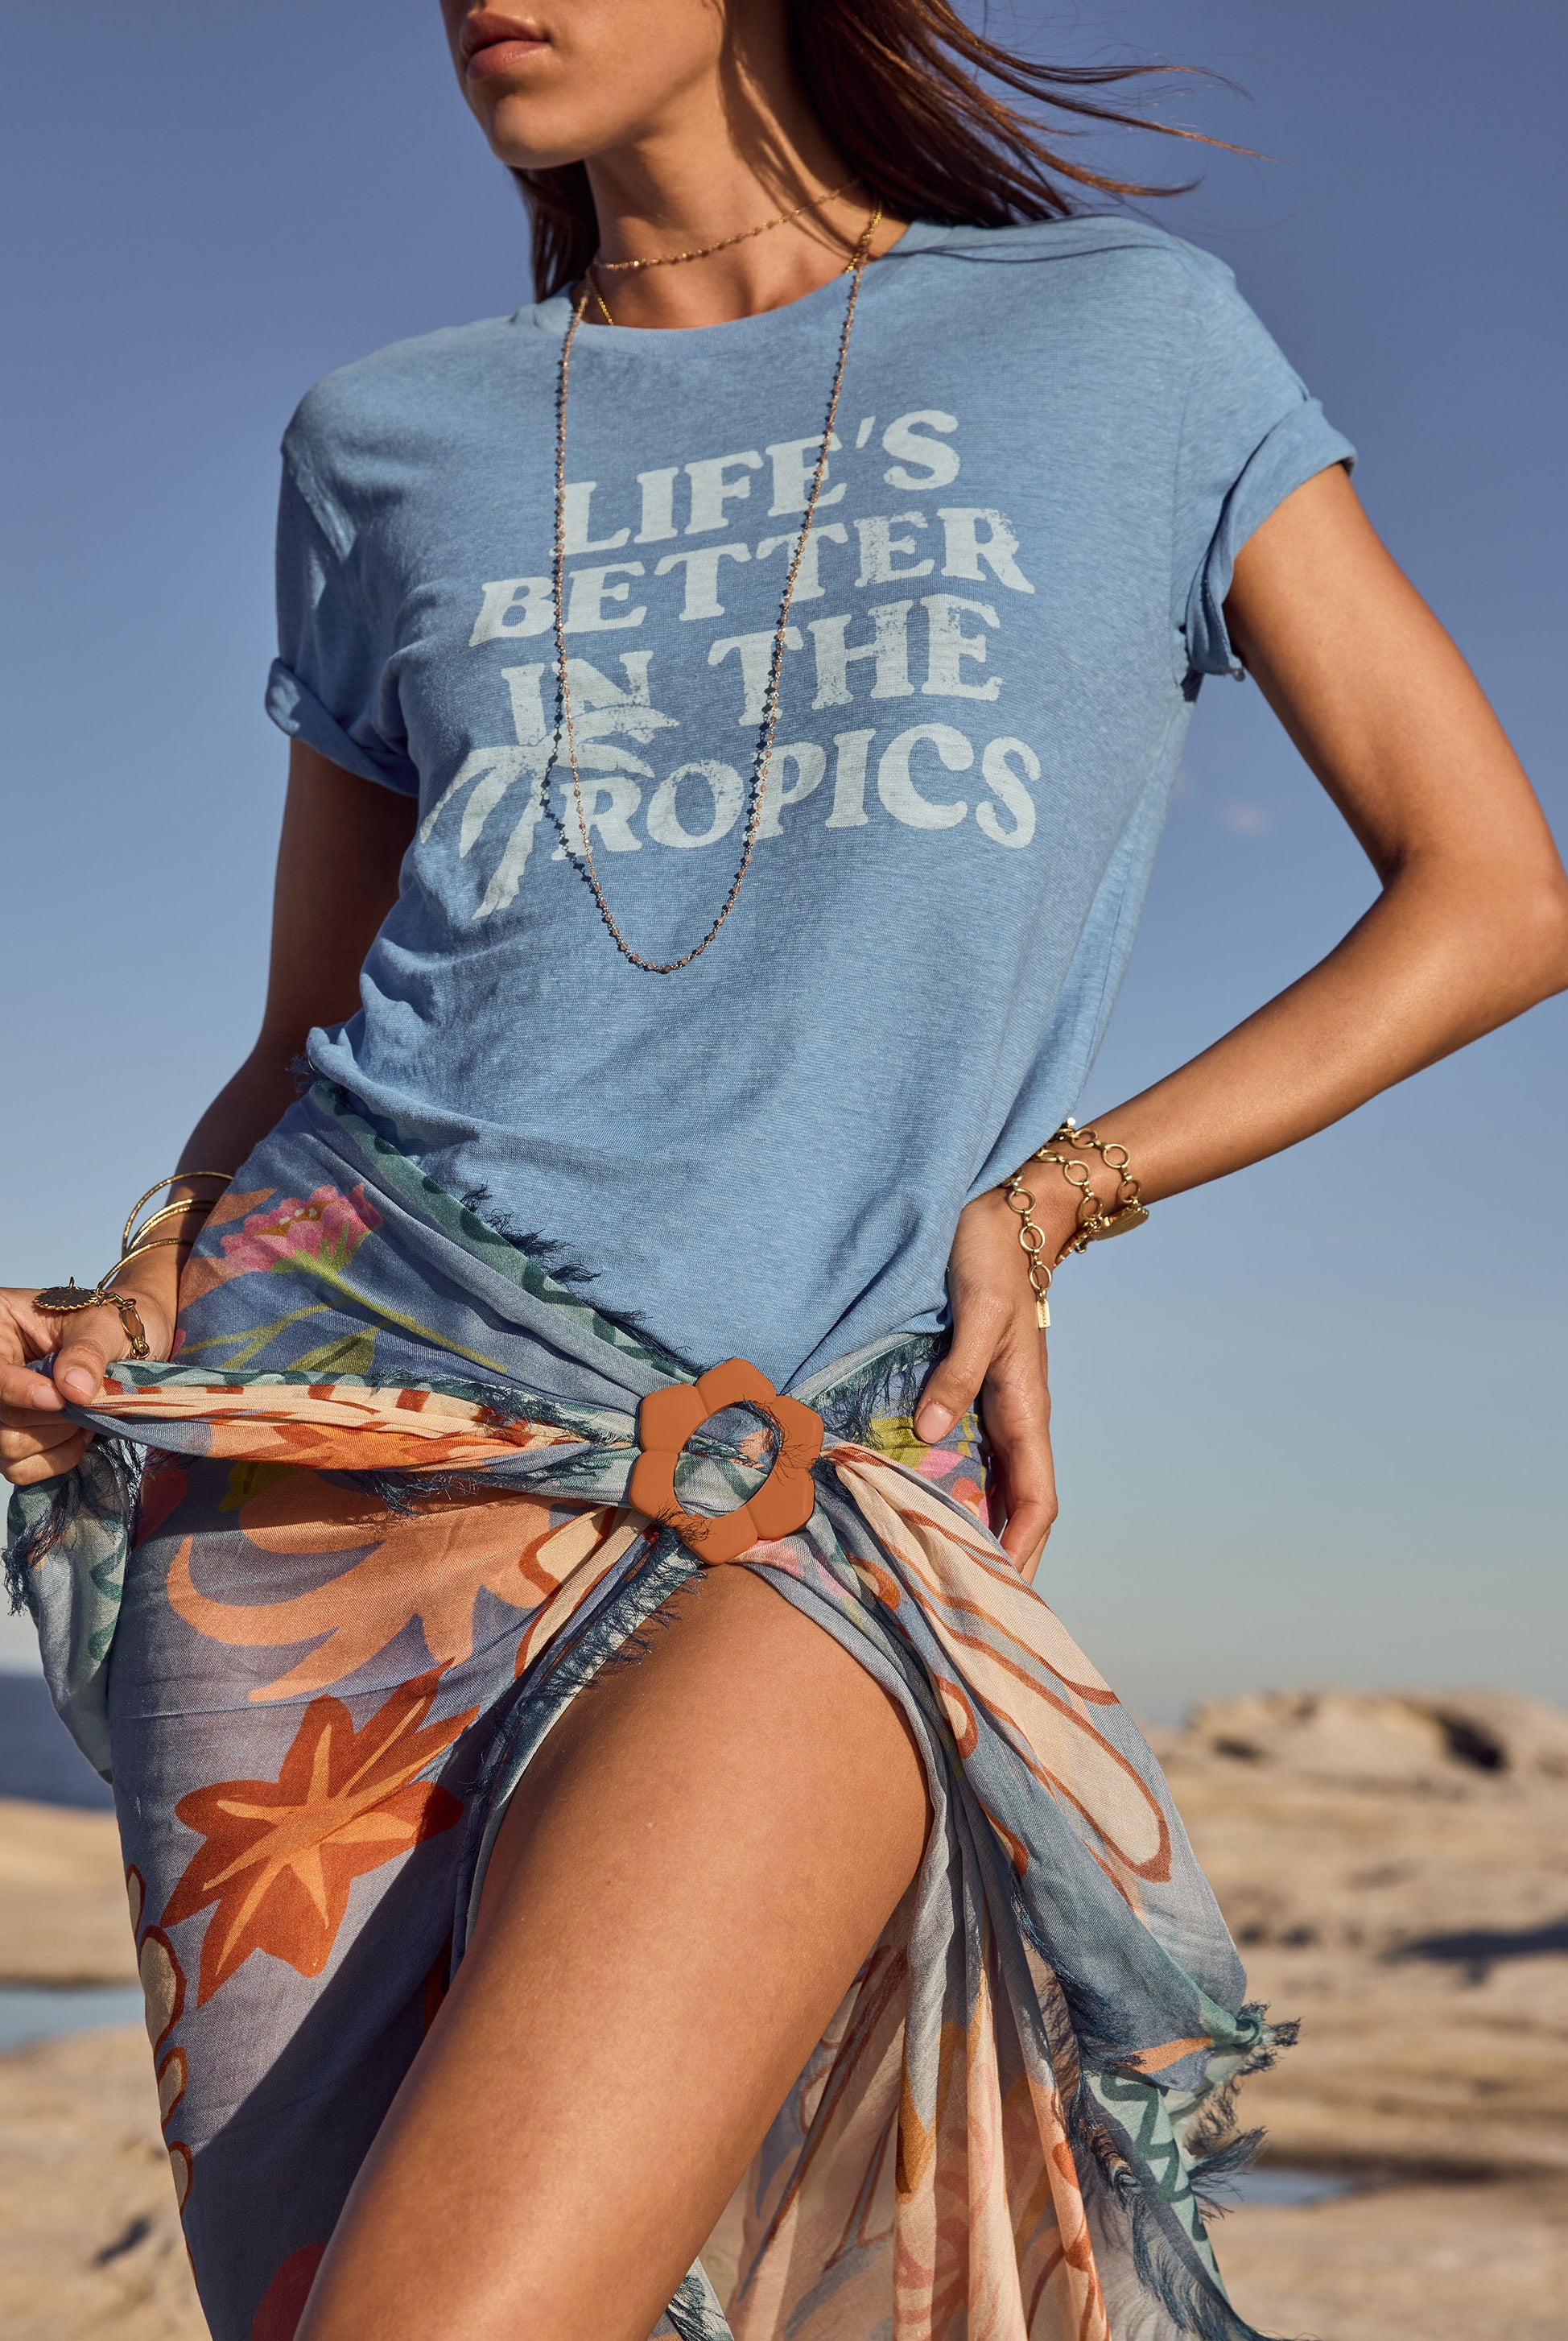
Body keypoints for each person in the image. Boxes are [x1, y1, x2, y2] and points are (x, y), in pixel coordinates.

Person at [3, 6, 1565, 2339]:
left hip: (806, 1476)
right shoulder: (385, 442)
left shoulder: (1123, 345)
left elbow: (1492, 893)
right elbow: (303, 1039)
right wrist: (130, 1300)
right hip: (307, 1492)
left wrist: (1055, 1197)